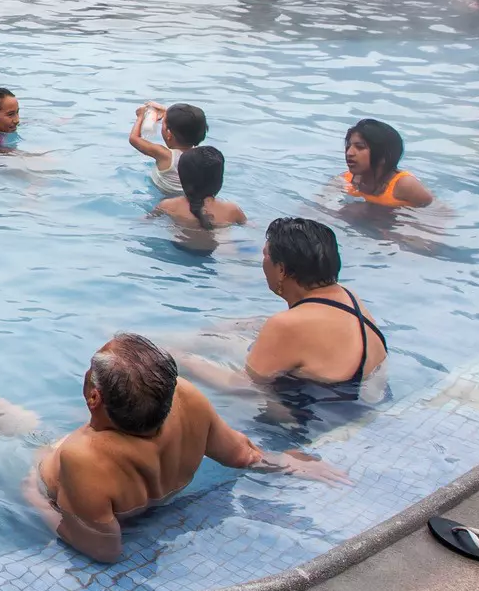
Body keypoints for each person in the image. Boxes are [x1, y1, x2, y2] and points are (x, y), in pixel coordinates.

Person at [26, 335, 343, 561]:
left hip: (100, 500)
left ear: (93, 398)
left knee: (8, 439)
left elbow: (104, 549)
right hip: (156, 490)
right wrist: (283, 461)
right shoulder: (186, 397)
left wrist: (34, 499)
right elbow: (242, 454)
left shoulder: (82, 457)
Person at [177, 218, 388, 404]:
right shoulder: (348, 295)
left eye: (266, 255)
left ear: (281, 269)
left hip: (314, 419)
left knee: (186, 356)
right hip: (357, 399)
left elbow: (244, 388)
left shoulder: (286, 325)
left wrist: (186, 362)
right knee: (231, 331)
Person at [340, 118, 434, 207]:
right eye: (348, 146)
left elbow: (438, 216)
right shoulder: (345, 180)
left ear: (383, 156)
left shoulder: (405, 185)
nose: (349, 153)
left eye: (360, 147)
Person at [153, 146, 247, 230]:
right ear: (219, 181)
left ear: (182, 179)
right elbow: (251, 227)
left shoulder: (168, 205)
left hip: (177, 247)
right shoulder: (232, 210)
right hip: (218, 248)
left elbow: (145, 221)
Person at [129, 102, 207, 194]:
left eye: (163, 123)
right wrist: (165, 111)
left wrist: (140, 117)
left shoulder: (164, 155)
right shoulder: (202, 154)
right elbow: (188, 123)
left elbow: (134, 139)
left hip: (165, 200)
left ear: (169, 134)